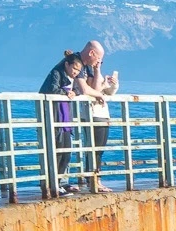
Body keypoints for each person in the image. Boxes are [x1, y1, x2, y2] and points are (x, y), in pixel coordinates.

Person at [74, 39, 119, 191]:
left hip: (102, 115)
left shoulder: (92, 72)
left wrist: (113, 84)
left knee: (99, 149)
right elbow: (93, 89)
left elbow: (107, 92)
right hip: (92, 114)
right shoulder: (84, 69)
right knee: (94, 149)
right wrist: (98, 74)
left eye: (101, 61)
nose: (99, 62)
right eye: (98, 59)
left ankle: (96, 179)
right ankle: (93, 180)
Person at [38, 49, 83, 193]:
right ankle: (53, 185)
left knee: (66, 153)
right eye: (74, 68)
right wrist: (65, 92)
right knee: (56, 152)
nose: (76, 72)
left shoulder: (73, 78)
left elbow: (79, 89)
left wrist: (74, 92)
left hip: (66, 120)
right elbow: (51, 89)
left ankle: (59, 182)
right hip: (55, 117)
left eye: (78, 70)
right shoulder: (57, 73)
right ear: (67, 65)